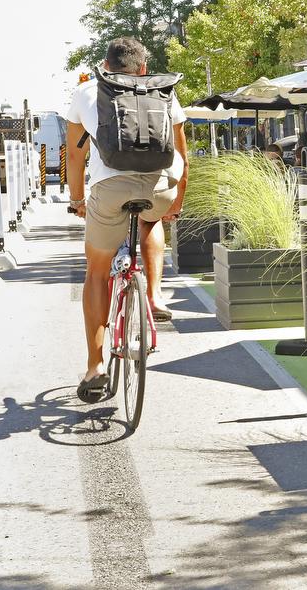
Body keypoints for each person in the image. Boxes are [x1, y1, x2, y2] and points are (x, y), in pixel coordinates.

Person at [66, 37, 189, 403]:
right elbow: (182, 154)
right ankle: (154, 295)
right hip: (160, 185)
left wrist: (76, 201)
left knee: (97, 272)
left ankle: (95, 367)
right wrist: (175, 203)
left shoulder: (87, 92)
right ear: (143, 70)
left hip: (110, 187)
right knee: (152, 223)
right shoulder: (163, 91)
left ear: (105, 66)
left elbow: (74, 157)